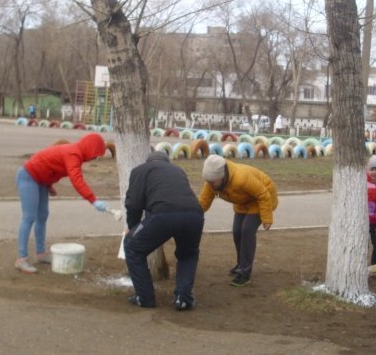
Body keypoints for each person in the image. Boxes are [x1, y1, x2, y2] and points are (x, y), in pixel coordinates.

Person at [15, 133, 108, 274]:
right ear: (90, 148)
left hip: (40, 181)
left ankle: (41, 254)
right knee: (29, 218)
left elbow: (51, 167)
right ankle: (21, 259)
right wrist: (93, 200)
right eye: (95, 154)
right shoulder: (73, 154)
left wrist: (49, 186)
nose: (94, 158)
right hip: (28, 177)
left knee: (42, 216)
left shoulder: (76, 153)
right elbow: (77, 180)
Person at [123, 151, 205, 310]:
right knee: (188, 254)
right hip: (195, 215)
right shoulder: (178, 170)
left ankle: (144, 297)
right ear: (166, 162)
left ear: (149, 161)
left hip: (163, 214)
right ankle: (183, 298)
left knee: (132, 246)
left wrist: (132, 228)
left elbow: (133, 204)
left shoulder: (140, 170)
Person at [199, 154, 278, 286]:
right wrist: (193, 215)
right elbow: (204, 201)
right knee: (236, 231)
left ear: (222, 176)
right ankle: (241, 264)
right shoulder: (211, 182)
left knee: (247, 230)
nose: (211, 185)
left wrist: (267, 218)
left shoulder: (241, 178)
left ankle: (245, 273)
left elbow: (263, 195)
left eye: (213, 182)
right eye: (209, 182)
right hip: (243, 201)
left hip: (263, 199)